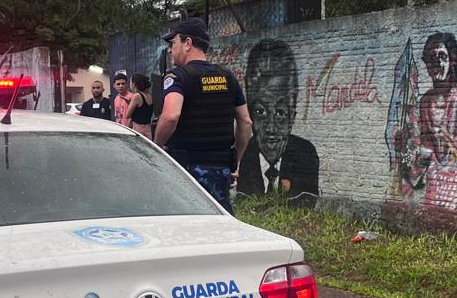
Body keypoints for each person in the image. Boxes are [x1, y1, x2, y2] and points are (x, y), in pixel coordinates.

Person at [153, 17, 252, 213]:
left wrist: (156, 150)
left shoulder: (177, 76)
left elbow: (171, 115)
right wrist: (236, 162)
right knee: (218, 220)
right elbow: (246, 122)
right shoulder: (228, 77)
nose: (171, 51)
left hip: (187, 170)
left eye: (173, 44)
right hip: (221, 167)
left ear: (188, 43)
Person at [236, 38, 320, 206]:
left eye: (281, 113)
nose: (271, 127)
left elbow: (304, 205)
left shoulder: (305, 154)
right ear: (249, 114)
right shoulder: (245, 154)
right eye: (261, 112)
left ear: (292, 117)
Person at [125, 73, 153, 138]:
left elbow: (128, 115)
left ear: (134, 84)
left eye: (130, 82)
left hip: (138, 129)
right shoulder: (149, 95)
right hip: (148, 129)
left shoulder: (137, 96)